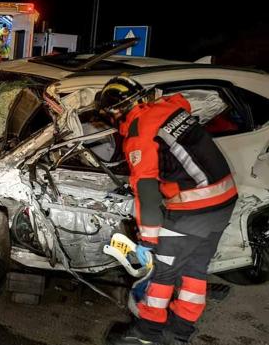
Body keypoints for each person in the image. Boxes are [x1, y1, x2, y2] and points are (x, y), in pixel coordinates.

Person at [96, 75, 238, 345]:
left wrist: (148, 240)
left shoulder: (139, 133)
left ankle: (147, 334)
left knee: (162, 272)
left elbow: (147, 192)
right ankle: (180, 331)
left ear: (115, 113)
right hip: (223, 199)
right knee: (195, 268)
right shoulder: (168, 108)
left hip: (195, 207)